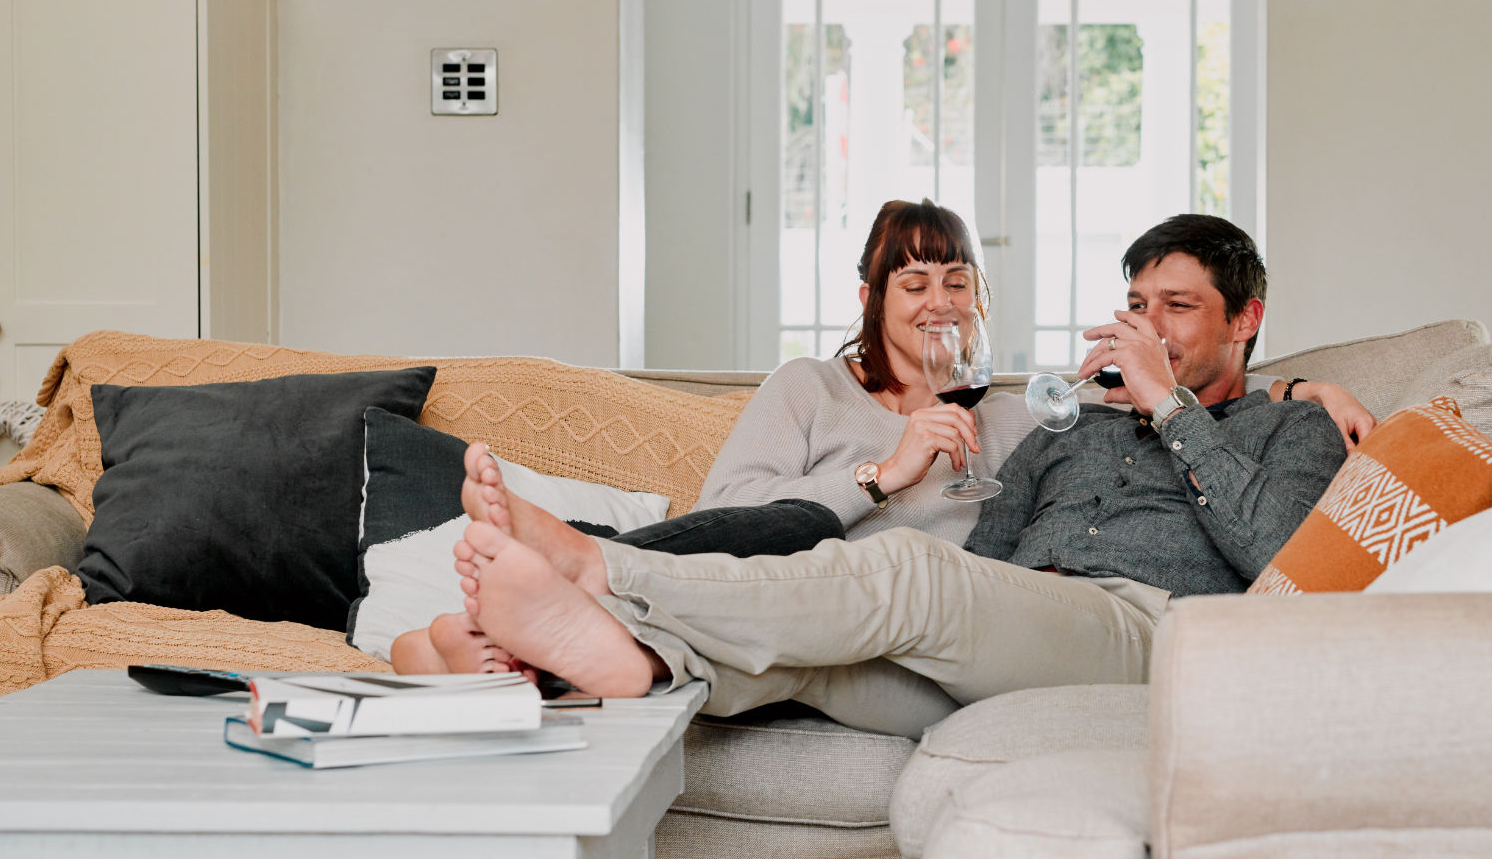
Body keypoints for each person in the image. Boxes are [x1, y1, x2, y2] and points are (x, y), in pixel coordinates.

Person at [443, 214, 1350, 733]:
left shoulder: (1293, 426)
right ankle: (610, 658)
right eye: (1137, 306)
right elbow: (987, 557)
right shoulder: (1072, 427)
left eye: (1177, 308)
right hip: (1020, 639)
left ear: (1245, 318)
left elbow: (1276, 549)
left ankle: (602, 567)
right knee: (808, 661)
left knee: (911, 572)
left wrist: (1177, 405)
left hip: (1149, 633)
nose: (1146, 328)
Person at [392, 200, 1029, 732]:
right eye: (915, 285)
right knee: (775, 562)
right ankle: (530, 632)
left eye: (957, 282)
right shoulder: (811, 387)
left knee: (775, 635)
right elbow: (727, 514)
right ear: (872, 298)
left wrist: (1096, 385)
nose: (940, 302)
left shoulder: (1010, 422)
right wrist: (881, 476)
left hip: (887, 636)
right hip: (757, 596)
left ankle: (521, 619)